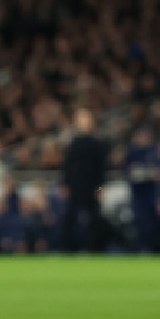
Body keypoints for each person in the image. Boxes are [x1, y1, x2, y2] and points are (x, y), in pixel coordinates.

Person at [59, 108, 108, 252]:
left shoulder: (97, 144)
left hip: (92, 188)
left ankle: (94, 249)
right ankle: (66, 249)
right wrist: (66, 185)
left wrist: (99, 189)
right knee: (69, 219)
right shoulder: (73, 144)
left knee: (94, 220)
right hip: (75, 187)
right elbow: (67, 167)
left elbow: (101, 170)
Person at [123, 126, 160, 253]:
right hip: (138, 194)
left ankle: (154, 249)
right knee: (141, 223)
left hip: (152, 193)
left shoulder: (154, 152)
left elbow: (159, 174)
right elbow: (129, 173)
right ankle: (143, 249)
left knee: (154, 224)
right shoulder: (132, 153)